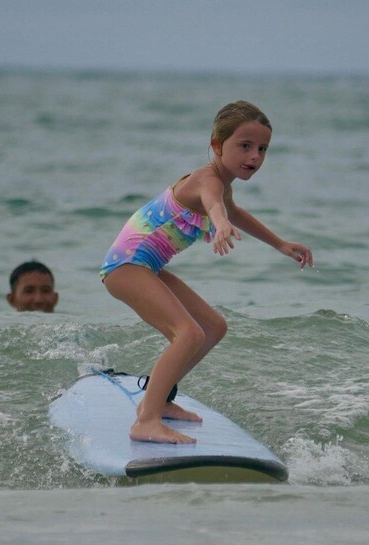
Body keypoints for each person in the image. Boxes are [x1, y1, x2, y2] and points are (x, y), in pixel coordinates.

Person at [99, 101, 314, 444]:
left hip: (146, 266)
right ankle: (147, 420)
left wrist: (279, 243)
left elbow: (231, 209)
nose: (255, 156)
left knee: (213, 327)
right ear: (217, 145)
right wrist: (220, 224)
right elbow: (214, 204)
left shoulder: (223, 184)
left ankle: (159, 400)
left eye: (262, 149)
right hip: (126, 266)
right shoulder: (206, 179)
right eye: (245, 146)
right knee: (189, 333)